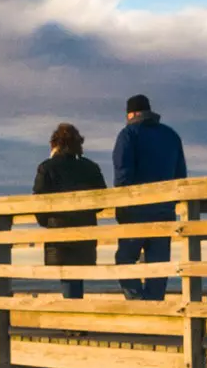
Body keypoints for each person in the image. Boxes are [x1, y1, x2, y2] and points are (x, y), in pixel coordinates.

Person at [110, 94, 186, 300]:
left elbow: (122, 175)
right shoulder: (171, 135)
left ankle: (138, 301)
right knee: (158, 264)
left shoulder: (128, 134)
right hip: (165, 210)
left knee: (125, 258)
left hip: (135, 210)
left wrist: (122, 204)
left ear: (131, 113)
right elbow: (181, 176)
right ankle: (155, 305)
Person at [33, 122, 106, 299]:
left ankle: (73, 322)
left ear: (55, 144)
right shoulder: (90, 167)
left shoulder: (47, 167)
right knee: (75, 278)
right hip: (85, 231)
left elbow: (38, 201)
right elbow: (102, 200)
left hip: (59, 232)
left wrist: (47, 222)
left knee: (67, 277)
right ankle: (74, 319)